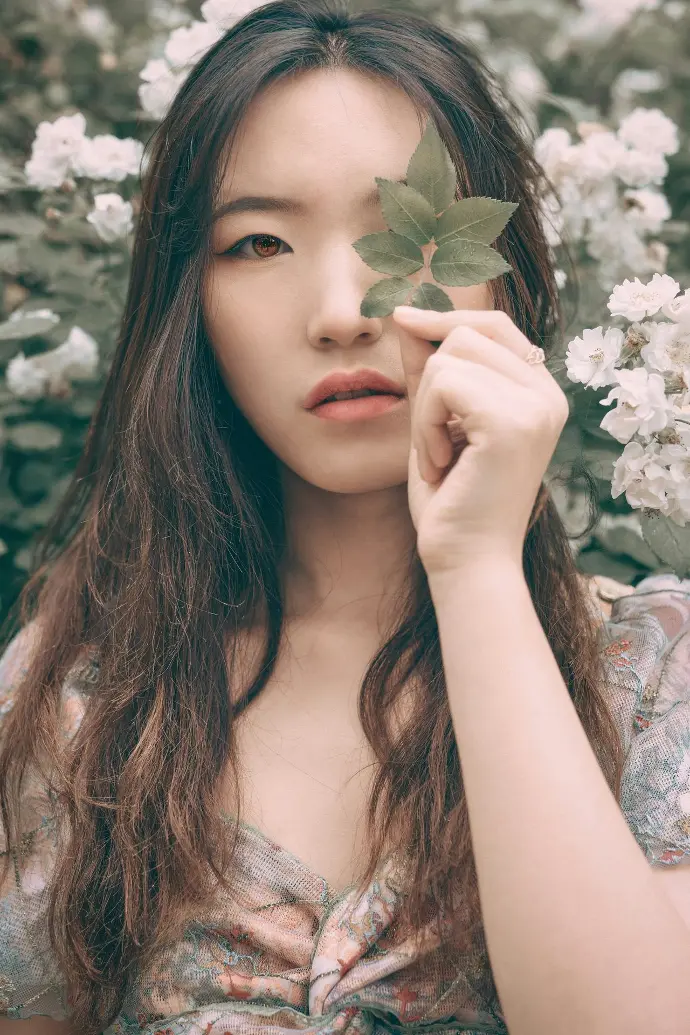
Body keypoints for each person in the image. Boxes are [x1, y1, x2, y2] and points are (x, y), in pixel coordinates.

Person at [1, 2, 689, 1034]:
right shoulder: (83, 700)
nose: (339, 310)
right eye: (259, 242)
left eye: (402, 235)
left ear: (506, 276)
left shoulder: (651, 677)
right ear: (190, 305)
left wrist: (475, 568)